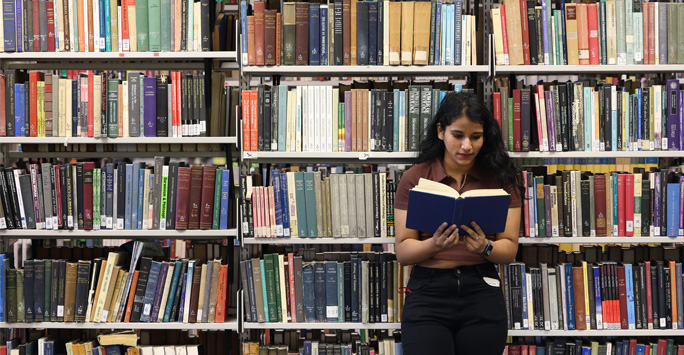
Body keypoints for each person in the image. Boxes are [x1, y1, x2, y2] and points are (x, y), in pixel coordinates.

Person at [394, 92, 523, 355]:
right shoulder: (415, 178)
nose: (467, 146)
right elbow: (403, 252)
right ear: (441, 131)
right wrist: (434, 244)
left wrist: (486, 247)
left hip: (482, 288)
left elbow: (509, 250)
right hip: (428, 292)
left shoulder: (500, 178)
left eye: (476, 137)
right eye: (458, 135)